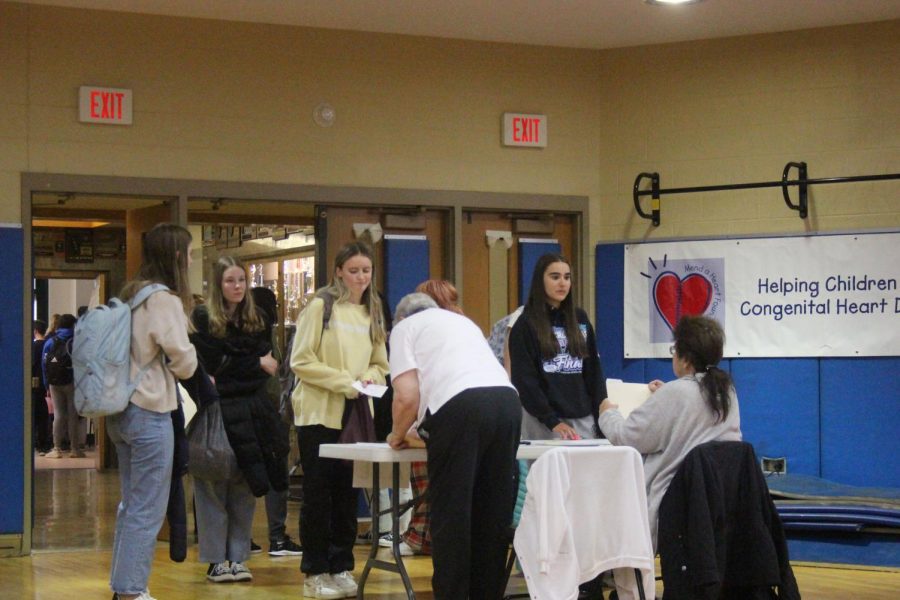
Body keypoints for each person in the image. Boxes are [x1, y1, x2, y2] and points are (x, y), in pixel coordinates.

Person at [388, 292, 521, 600]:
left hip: (460, 406)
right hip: (507, 404)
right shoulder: (463, 323)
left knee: (452, 515)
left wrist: (396, 434)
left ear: (402, 318)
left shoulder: (404, 329)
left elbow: (407, 396)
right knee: (491, 514)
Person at [290, 241, 388, 600]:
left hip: (357, 412)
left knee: (348, 494)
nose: (360, 277)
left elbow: (381, 364)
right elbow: (301, 361)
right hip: (319, 412)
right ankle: (314, 571)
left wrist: (369, 380)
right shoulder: (321, 306)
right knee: (319, 493)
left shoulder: (373, 311)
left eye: (366, 271)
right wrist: (344, 382)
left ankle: (341, 565)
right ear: (338, 272)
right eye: (353, 271)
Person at [108, 223, 198, 600]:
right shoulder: (164, 300)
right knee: (148, 508)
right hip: (150, 411)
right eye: (190, 254)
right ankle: (131, 589)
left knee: (131, 505)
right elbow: (185, 362)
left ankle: (122, 586)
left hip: (120, 411)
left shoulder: (131, 293)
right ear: (177, 256)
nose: (192, 260)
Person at [598, 314, 743, 548]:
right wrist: (666, 395)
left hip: (675, 504)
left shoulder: (675, 394)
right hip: (720, 503)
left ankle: (620, 580)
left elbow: (626, 437)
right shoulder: (727, 392)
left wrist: (607, 413)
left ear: (685, 360)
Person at [190, 257, 288, 583]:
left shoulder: (256, 318)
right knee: (212, 484)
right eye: (231, 281)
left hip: (252, 411)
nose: (237, 287)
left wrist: (237, 367)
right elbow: (211, 364)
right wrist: (251, 363)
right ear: (218, 284)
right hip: (216, 413)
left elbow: (268, 367)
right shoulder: (203, 318)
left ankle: (239, 556)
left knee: (246, 485)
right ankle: (216, 559)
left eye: (242, 281)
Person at [381, 279, 464, 557]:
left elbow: (410, 391)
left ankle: (420, 534)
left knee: (428, 474)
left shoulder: (413, 329)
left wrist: (400, 432)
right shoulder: (463, 325)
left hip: (441, 413)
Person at [508, 253, 607, 441]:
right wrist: (551, 420)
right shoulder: (525, 324)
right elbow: (525, 381)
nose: (562, 283)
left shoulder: (580, 319)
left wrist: (601, 412)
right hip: (543, 421)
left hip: (582, 417)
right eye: (555, 277)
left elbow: (593, 371)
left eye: (567, 277)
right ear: (540, 281)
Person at [249, 285, 303, 558]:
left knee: (246, 474)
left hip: (255, 412)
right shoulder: (264, 333)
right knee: (276, 476)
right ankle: (277, 537)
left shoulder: (247, 327)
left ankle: (244, 536)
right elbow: (274, 380)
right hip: (269, 413)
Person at [41, 313, 84, 458]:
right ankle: (74, 449)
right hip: (73, 381)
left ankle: (56, 449)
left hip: (54, 382)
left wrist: (46, 384)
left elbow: (44, 364)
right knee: (73, 415)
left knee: (58, 415)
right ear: (73, 325)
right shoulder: (77, 340)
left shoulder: (50, 341)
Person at [32, 319, 52, 455]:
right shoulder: (49, 344)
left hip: (34, 382)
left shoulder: (32, 347)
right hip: (47, 382)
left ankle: (36, 441)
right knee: (44, 413)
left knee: (34, 412)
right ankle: (44, 442)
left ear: (35, 331)